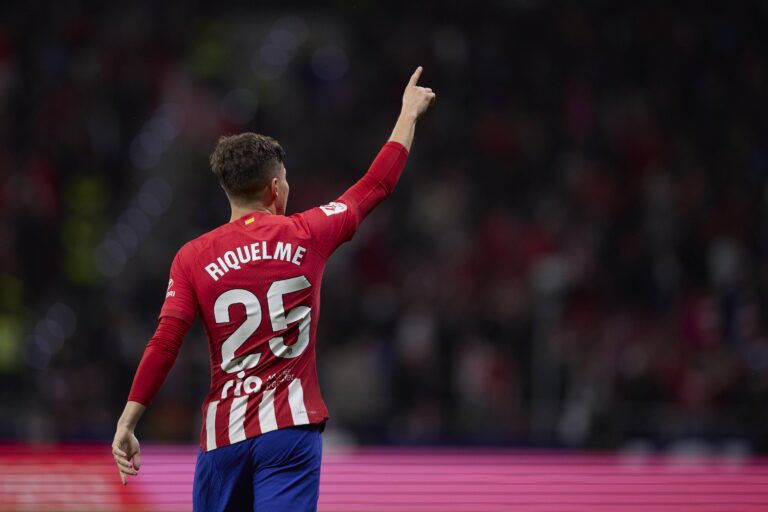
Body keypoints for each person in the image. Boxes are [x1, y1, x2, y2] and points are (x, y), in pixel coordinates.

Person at [112, 66, 436, 511]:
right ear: (276, 186)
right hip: (289, 431)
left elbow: (165, 341)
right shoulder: (308, 232)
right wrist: (408, 114)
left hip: (223, 437)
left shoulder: (192, 256)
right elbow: (376, 185)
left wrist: (129, 420)